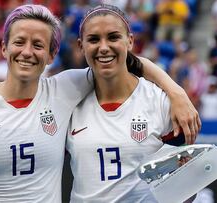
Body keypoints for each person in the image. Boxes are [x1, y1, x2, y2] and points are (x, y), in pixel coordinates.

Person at [0, 4, 200, 202]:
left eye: (38, 45)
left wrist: (176, 92)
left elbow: (123, 63)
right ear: (3, 48)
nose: (27, 52)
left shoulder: (64, 88)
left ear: (51, 54)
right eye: (19, 42)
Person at [66, 4, 195, 202]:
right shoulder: (67, 99)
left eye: (113, 37)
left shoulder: (160, 101)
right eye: (93, 39)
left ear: (130, 41)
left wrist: (185, 182)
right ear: (81, 46)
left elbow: (186, 189)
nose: (103, 47)